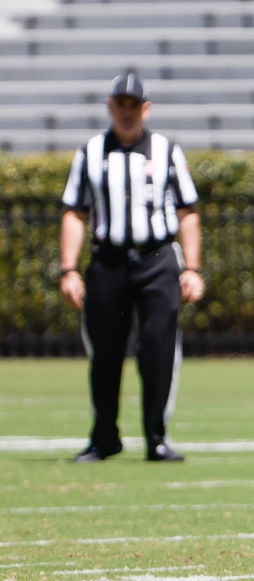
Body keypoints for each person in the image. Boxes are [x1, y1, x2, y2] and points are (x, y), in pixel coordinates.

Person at [59, 73, 204, 463]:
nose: (127, 112)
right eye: (120, 104)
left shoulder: (166, 150)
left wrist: (192, 268)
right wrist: (68, 269)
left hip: (157, 261)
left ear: (146, 108)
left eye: (134, 105)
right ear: (110, 106)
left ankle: (156, 437)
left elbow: (188, 212)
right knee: (104, 352)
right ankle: (104, 437)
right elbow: (75, 211)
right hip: (108, 262)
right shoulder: (89, 152)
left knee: (158, 349)